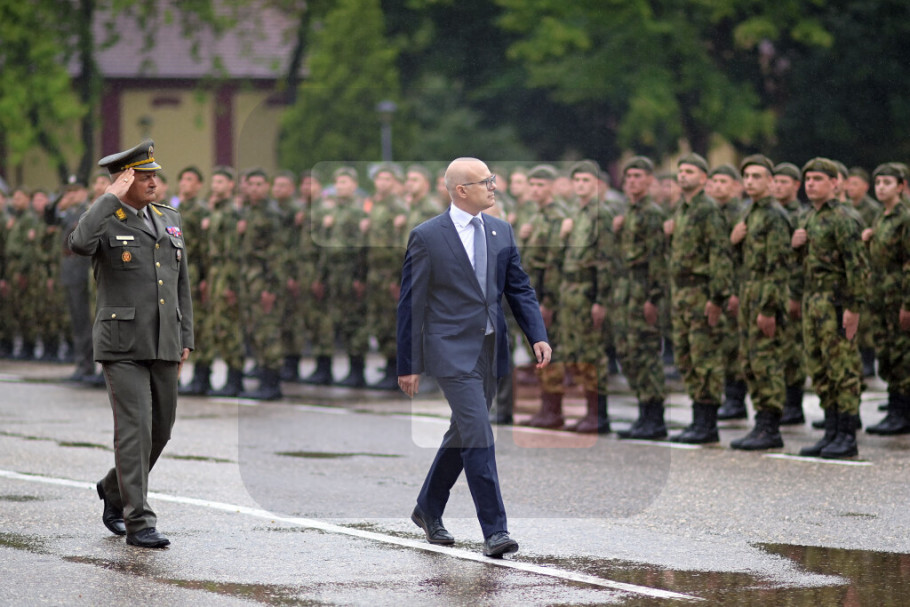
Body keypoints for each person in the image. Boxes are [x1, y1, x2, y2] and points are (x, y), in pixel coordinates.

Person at [397, 157, 551, 558]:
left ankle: (428, 507)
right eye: (486, 181)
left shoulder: (501, 230)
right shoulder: (427, 236)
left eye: (492, 179)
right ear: (461, 190)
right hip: (450, 350)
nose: (493, 186)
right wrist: (409, 363)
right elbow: (411, 304)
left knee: (464, 431)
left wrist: (537, 335)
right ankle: (495, 530)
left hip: (490, 348)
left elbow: (519, 288)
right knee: (479, 431)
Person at [69, 139, 193, 548]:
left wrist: (186, 336)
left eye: (154, 175)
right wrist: (109, 198)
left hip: (164, 339)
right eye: (142, 177)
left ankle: (113, 488)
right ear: (123, 181)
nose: (153, 182)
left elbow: (180, 284)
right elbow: (79, 243)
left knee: (161, 431)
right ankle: (138, 520)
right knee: (135, 430)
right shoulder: (104, 218)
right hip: (122, 343)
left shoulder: (169, 218)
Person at [792, 158, 868, 459]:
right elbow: (807, 265)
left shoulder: (844, 218)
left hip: (836, 302)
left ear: (834, 183)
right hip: (814, 301)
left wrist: (853, 307)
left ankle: (847, 436)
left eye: (818, 179)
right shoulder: (809, 217)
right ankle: (832, 432)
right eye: (808, 179)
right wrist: (797, 247)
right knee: (819, 368)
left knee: (842, 368)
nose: (811, 184)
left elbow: (857, 267)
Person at [665, 153, 734, 444]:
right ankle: (697, 419)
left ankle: (708, 423)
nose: (683, 175)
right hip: (682, 294)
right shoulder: (682, 209)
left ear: (703, 178)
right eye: (681, 170)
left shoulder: (708, 210)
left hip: (701, 293)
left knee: (705, 358)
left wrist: (717, 298)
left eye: (690, 171)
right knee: (686, 357)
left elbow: (720, 255)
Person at [728, 155, 792, 450]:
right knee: (750, 361)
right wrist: (734, 240)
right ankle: (760, 423)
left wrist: (768, 309)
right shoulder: (749, 212)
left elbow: (778, 267)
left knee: (766, 361)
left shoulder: (774, 215)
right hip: (749, 292)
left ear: (770, 181)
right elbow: (742, 261)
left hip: (766, 295)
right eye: (747, 177)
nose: (750, 182)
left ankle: (770, 426)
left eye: (757, 176)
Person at [613, 156, 669, 439]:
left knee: (646, 353)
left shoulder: (652, 214)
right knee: (629, 352)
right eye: (629, 177)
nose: (632, 181)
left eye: (638, 176)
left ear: (649, 180)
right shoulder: (628, 212)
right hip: (626, 291)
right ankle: (643, 413)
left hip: (644, 289)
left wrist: (654, 297)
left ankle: (655, 417)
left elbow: (658, 258)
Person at [863, 163, 910, 435]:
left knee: (902, 354)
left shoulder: (905, 218)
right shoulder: (881, 217)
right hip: (880, 297)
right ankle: (895, 409)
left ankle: (901, 413)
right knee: (888, 353)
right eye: (878, 182)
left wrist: (907, 304)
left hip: (898, 297)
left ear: (901, 187)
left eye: (887, 183)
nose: (881, 187)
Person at [773, 162, 808, 425]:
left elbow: (799, 263)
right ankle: (783, 401)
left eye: (783, 182)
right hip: (774, 290)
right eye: (775, 181)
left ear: (796, 185)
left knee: (792, 349)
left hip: (792, 291)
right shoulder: (772, 214)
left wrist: (795, 294)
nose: (778, 186)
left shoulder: (801, 216)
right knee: (777, 348)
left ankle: (794, 405)